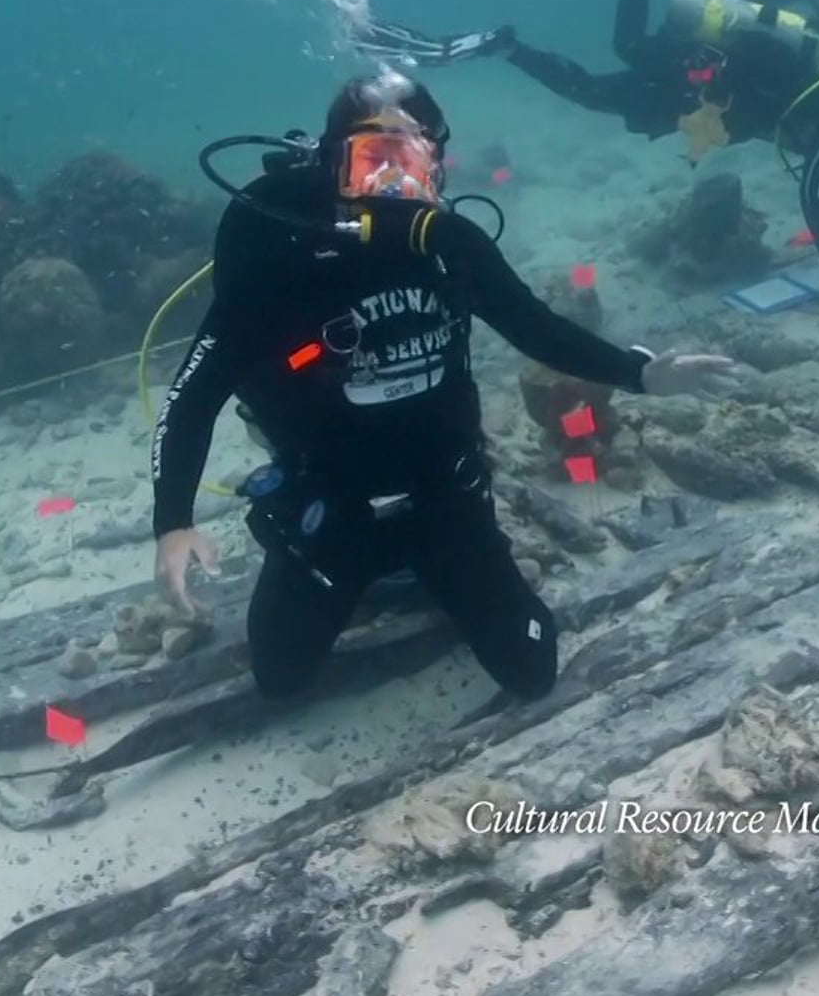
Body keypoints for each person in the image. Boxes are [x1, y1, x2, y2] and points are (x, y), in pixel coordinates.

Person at [151, 71, 739, 703]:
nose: (393, 181)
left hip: (443, 484)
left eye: (413, 157)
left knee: (532, 673)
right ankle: (330, 555)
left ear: (438, 158)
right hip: (327, 491)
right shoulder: (279, 250)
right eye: (372, 158)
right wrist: (173, 522)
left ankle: (426, 562)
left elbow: (533, 326)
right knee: (281, 678)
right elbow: (196, 389)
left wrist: (640, 372)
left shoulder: (450, 245)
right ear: (330, 160)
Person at [354, 0, 819, 293]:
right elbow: (815, 181)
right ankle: (512, 46)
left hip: (704, 70)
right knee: (597, 94)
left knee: (626, 52)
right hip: (700, 84)